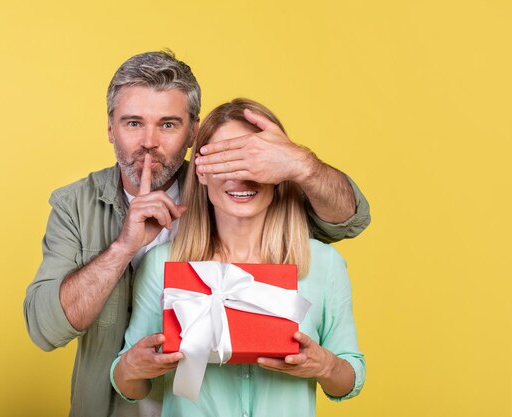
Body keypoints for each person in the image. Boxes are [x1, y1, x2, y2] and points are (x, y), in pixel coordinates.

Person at [24, 51, 370, 417]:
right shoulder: (75, 207)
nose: (149, 142)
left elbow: (348, 221)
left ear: (193, 131)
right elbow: (46, 329)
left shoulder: (238, 188)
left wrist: (300, 164)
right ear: (110, 128)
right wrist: (124, 247)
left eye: (169, 124)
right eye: (133, 123)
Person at [111, 98, 365, 417]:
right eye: (225, 162)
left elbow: (349, 378)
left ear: (279, 171)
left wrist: (325, 366)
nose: (240, 177)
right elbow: (129, 385)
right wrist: (132, 368)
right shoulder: (163, 265)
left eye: (253, 161)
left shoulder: (324, 264)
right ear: (201, 173)